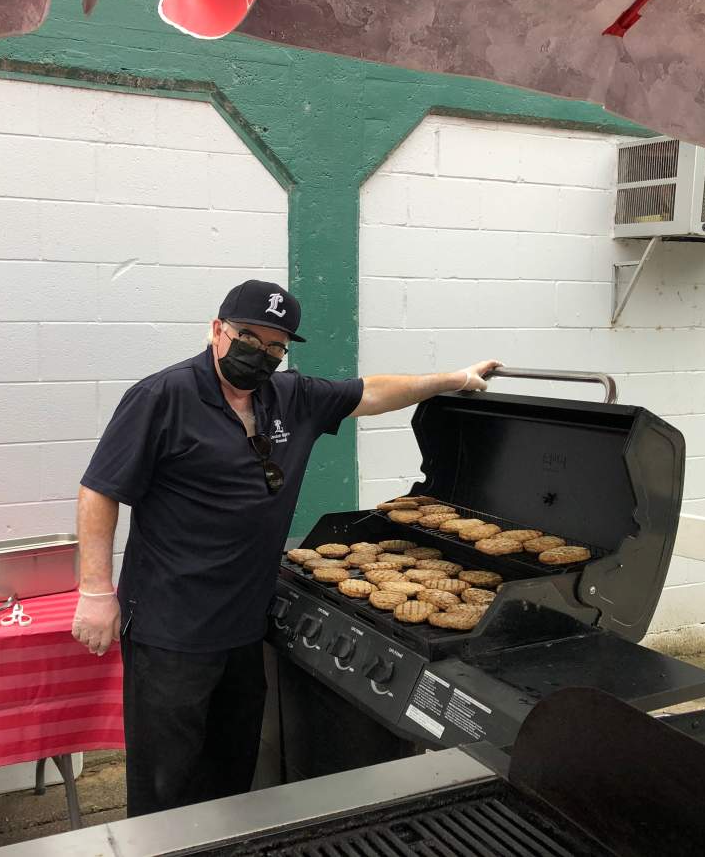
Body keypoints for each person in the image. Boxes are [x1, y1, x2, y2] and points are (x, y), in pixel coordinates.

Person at [72, 279, 501, 817]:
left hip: (245, 624)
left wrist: (453, 379)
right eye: (248, 338)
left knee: (231, 764)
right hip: (170, 628)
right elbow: (99, 490)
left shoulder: (290, 396)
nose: (262, 354)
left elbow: (369, 391)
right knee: (166, 778)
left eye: (276, 346)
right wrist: (94, 591)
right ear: (216, 331)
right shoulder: (162, 397)